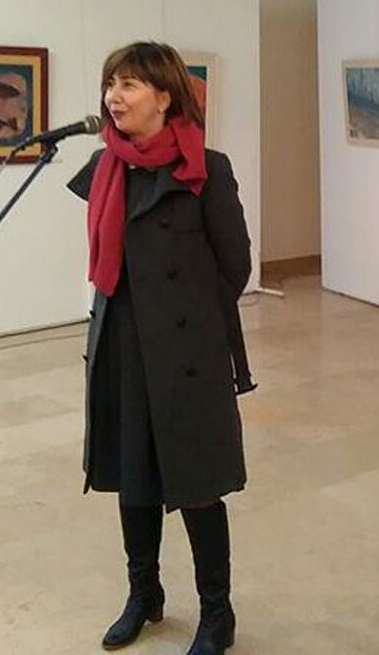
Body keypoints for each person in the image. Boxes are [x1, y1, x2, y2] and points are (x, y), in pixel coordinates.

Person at [66, 41, 255, 655]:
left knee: (197, 483)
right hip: (121, 343)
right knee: (133, 476)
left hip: (186, 354)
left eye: (128, 85)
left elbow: (234, 266)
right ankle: (144, 593)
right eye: (110, 84)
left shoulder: (207, 170)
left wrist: (189, 325)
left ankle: (217, 613)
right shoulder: (106, 168)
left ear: (165, 97)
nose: (113, 97)